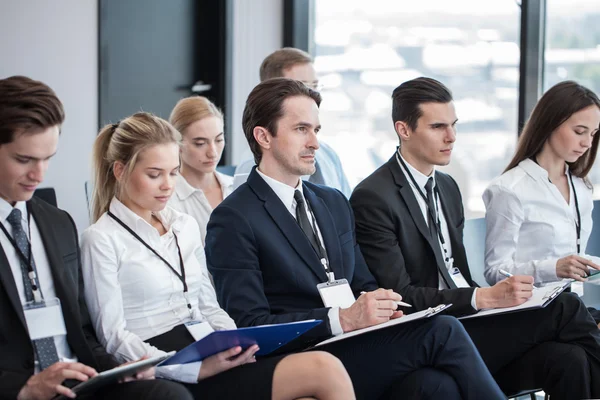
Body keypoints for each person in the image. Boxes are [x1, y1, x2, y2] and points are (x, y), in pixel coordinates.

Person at [206, 77, 506, 400]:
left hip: (354, 343)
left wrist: (382, 307)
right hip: (303, 356)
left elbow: (363, 283)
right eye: (301, 130)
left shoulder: (333, 203)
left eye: (316, 131)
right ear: (263, 136)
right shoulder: (234, 218)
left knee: (435, 386)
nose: (315, 143)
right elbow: (250, 323)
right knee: (443, 331)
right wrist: (341, 319)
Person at [350, 76, 600, 399]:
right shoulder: (374, 197)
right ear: (404, 129)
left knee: (569, 360)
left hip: (472, 320)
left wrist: (487, 301)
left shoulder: (449, 188)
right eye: (438, 127)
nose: (451, 137)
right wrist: (483, 298)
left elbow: (458, 274)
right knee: (564, 307)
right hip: (434, 329)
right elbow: (400, 295)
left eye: (453, 125)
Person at [80, 111, 356, 400]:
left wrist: (239, 343)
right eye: (154, 174)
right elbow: (112, 337)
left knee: (324, 369)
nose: (167, 185)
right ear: (120, 171)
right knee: (321, 369)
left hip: (208, 347)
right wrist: (190, 368)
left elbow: (208, 306)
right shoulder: (101, 239)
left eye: (174, 172)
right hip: (163, 365)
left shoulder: (183, 225)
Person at [0, 76, 192, 400]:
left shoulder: (57, 224)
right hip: (20, 389)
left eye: (48, 158)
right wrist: (24, 388)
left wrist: (122, 368)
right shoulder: (98, 237)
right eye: (24, 160)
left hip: (78, 384)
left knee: (168, 395)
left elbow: (84, 333)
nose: (40, 174)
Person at [483, 81, 600, 285]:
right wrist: (553, 268)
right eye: (579, 132)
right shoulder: (509, 189)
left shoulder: (581, 187)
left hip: (572, 305)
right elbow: (496, 272)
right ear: (550, 123)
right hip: (533, 308)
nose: (588, 143)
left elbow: (577, 261)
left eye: (593, 134)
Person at [234, 47, 352, 197]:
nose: (311, 94)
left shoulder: (328, 154)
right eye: (301, 86)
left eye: (315, 86)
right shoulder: (254, 167)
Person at [168, 96, 233, 245]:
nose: (213, 152)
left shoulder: (236, 187)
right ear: (177, 144)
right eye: (200, 143)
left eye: (218, 140)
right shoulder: (167, 200)